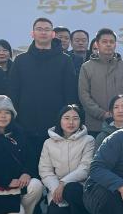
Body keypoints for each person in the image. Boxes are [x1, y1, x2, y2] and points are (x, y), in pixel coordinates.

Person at [8, 17, 79, 153]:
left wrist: (68, 119)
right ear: (32, 33)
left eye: (47, 29)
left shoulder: (65, 60)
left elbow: (70, 92)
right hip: (25, 124)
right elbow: (13, 91)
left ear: (53, 34)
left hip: (56, 125)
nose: (43, 32)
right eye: (39, 29)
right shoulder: (21, 60)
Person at [39, 104, 95, 214]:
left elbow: (85, 168)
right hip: (57, 189)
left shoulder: (88, 140)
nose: (71, 122)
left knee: (71, 188)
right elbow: (45, 171)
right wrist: (56, 189)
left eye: (75, 118)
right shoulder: (48, 143)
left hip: (80, 187)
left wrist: (63, 183)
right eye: (66, 118)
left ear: (80, 121)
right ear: (59, 120)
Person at [79, 28, 123, 135]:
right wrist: (102, 114)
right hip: (95, 125)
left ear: (115, 44)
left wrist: (120, 112)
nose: (108, 44)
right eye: (104, 42)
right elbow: (84, 95)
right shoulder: (87, 67)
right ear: (97, 44)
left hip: (122, 124)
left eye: (111, 42)